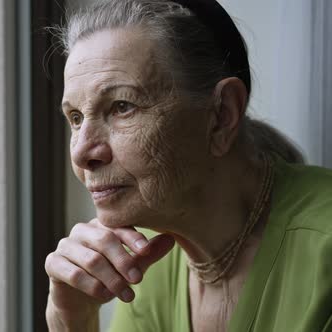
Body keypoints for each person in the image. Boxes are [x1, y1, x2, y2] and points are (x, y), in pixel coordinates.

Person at [44, 0, 332, 331]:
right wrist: (70, 316)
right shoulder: (148, 259)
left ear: (222, 116)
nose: (81, 152)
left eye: (121, 107)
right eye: (76, 118)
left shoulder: (324, 252)